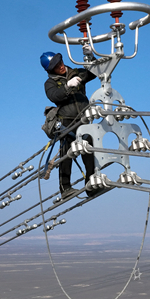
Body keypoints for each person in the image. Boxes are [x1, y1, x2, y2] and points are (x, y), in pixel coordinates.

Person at [41, 51, 97, 198]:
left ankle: (91, 185)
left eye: (59, 62)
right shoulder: (50, 83)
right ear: (50, 70)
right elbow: (54, 96)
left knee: (89, 150)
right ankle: (65, 188)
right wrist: (67, 86)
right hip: (66, 121)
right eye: (55, 66)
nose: (60, 66)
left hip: (83, 119)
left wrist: (91, 57)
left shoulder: (75, 72)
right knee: (67, 154)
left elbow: (94, 72)